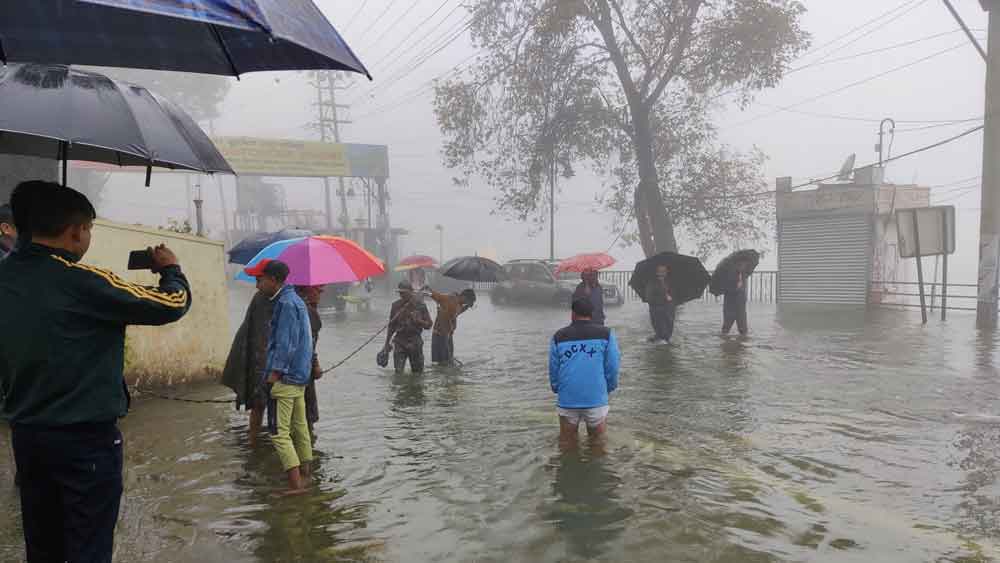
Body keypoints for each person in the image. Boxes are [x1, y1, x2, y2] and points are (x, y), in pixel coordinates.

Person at [0, 180, 191, 563]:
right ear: (75, 231)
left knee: (43, 544)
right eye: (88, 228)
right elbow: (172, 303)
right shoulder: (84, 282)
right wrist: (171, 269)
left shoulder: (6, 275)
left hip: (27, 435)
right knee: (88, 546)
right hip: (84, 441)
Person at [250, 259, 315, 495]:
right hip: (300, 376)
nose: (257, 286)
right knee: (300, 427)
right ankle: (306, 475)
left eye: (260, 280)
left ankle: (296, 486)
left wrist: (274, 375)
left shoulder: (285, 304)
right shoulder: (297, 300)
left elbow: (285, 345)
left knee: (278, 433)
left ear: (273, 280)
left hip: (284, 379)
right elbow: (305, 342)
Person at [549, 298, 620, 448]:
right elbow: (613, 366)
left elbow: (554, 368)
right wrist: (609, 387)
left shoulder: (559, 336)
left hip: (568, 399)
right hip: (595, 397)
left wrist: (556, 388)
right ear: (591, 314)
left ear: (572, 314)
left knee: (567, 444)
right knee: (598, 445)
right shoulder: (606, 334)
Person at [222, 280, 275, 448]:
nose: (257, 285)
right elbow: (259, 334)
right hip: (260, 361)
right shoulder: (261, 299)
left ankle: (257, 443)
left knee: (265, 404)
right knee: (259, 404)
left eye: (260, 280)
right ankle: (254, 443)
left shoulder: (283, 300)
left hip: (266, 360)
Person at [295, 285, 326, 443]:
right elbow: (308, 344)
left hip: (295, 370)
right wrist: (315, 365)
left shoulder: (295, 305)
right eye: (317, 290)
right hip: (302, 371)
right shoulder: (306, 311)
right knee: (306, 412)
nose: (321, 293)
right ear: (307, 290)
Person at [383, 281, 433, 374]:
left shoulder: (420, 305)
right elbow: (391, 327)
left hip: (415, 341)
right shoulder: (396, 306)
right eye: (400, 293)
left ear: (411, 292)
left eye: (404, 293)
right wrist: (386, 344)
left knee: (417, 373)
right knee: (398, 372)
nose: (401, 295)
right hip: (399, 341)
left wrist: (419, 321)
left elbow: (429, 325)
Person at [430, 288, 476, 365]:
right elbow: (437, 296)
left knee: (449, 360)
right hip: (440, 334)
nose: (466, 303)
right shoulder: (450, 299)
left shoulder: (459, 304)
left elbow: (456, 313)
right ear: (464, 297)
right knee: (443, 362)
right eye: (468, 301)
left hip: (448, 334)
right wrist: (428, 290)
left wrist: (466, 307)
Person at [645, 264, 675, 343]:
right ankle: (657, 340)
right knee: (661, 332)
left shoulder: (669, 282)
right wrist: (664, 297)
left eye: (664, 271)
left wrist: (671, 298)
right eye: (660, 271)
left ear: (667, 272)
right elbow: (649, 298)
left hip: (669, 311)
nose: (662, 273)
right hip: (657, 311)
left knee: (668, 332)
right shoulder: (651, 283)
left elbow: (673, 295)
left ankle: (663, 341)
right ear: (656, 272)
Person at [722, 260, 750, 336]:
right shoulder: (729, 274)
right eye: (742, 264)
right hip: (730, 306)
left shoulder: (743, 274)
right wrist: (736, 287)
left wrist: (742, 290)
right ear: (737, 264)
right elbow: (726, 289)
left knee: (743, 329)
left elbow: (743, 290)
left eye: (745, 265)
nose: (744, 266)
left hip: (740, 305)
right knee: (726, 328)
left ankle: (742, 340)